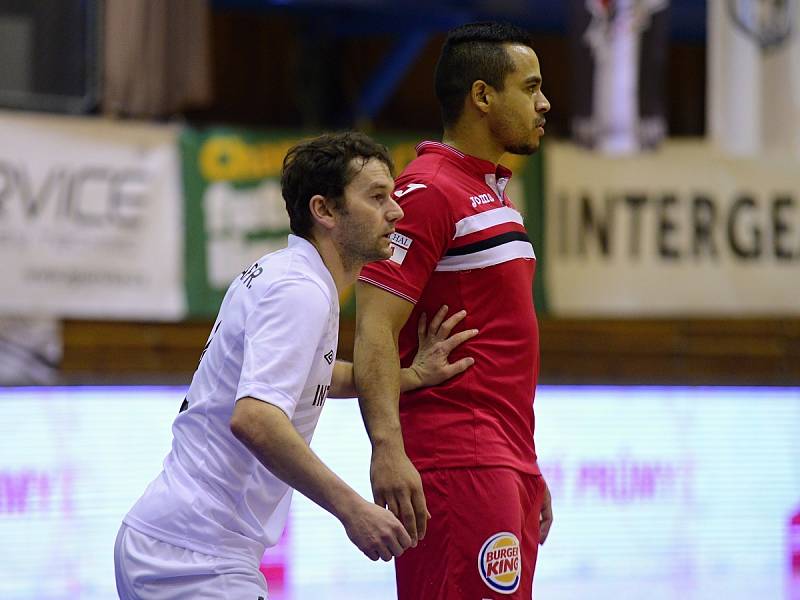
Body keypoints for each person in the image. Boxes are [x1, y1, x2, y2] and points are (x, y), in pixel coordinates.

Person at [114, 131, 477, 599]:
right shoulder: (299, 291)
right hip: (195, 557)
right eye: (376, 197)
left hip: (178, 542)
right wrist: (353, 508)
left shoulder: (291, 275)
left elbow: (314, 377)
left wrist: (409, 376)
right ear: (323, 211)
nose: (397, 211)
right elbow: (255, 418)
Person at [354, 22, 554, 599]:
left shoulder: (491, 193)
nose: (545, 103)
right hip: (458, 461)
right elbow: (373, 331)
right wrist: (387, 451)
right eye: (531, 86)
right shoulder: (427, 191)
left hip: (501, 459)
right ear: (483, 96)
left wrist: (524, 465)